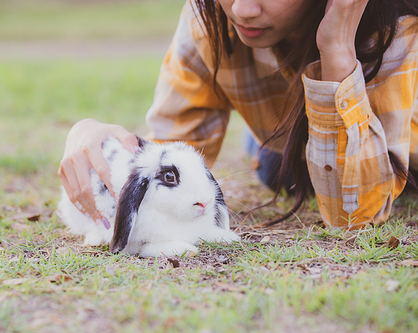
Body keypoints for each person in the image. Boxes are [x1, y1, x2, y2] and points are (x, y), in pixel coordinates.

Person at [58, 0, 418, 230]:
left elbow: (356, 217)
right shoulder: (209, 17)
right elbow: (172, 160)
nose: (243, 9)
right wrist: (94, 135)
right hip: (287, 143)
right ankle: (271, 138)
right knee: (277, 165)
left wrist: (337, 49)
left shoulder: (396, 29)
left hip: (406, 154)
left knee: (280, 165)